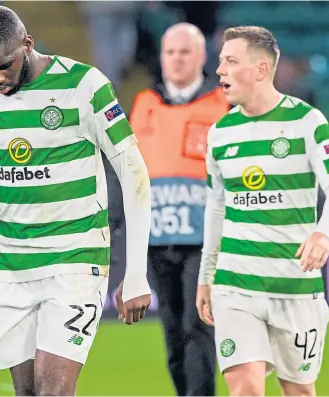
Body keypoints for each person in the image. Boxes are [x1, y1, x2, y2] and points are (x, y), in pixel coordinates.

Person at [0, 5, 152, 396]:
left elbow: (134, 172)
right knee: (27, 392)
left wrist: (138, 272)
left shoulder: (84, 85)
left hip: (75, 258)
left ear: (27, 44)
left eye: (2, 66)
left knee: (53, 390)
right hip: (12, 265)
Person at [196, 26, 329, 397]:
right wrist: (207, 273)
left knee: (298, 390)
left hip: (294, 285)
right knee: (245, 388)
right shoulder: (219, 133)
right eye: (220, 62)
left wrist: (323, 233)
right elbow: (216, 207)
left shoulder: (307, 122)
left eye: (231, 62)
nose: (220, 71)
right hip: (236, 284)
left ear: (261, 69)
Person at [130, 23, 229, 396]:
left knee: (197, 325)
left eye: (185, 52)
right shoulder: (144, 104)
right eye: (170, 52)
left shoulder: (222, 104)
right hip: (156, 240)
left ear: (202, 57)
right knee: (173, 331)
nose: (176, 59)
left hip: (205, 241)